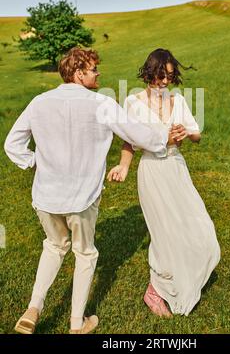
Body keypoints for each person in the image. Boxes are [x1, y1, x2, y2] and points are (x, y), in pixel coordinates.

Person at [4, 47, 169, 334]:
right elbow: (137, 134)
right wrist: (166, 138)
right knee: (85, 254)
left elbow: (12, 145)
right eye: (94, 69)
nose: (99, 73)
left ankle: (34, 307)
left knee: (54, 246)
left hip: (46, 196)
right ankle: (77, 324)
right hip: (81, 197)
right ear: (78, 74)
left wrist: (34, 163)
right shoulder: (102, 104)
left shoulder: (39, 102)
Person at [108, 48, 221, 317]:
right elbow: (128, 141)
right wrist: (123, 166)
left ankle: (185, 277)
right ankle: (155, 290)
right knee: (164, 235)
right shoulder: (134, 103)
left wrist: (186, 134)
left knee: (199, 227)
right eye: (160, 76)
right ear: (149, 73)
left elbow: (196, 135)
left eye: (169, 76)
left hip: (176, 168)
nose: (164, 82)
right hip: (152, 172)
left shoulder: (178, 100)